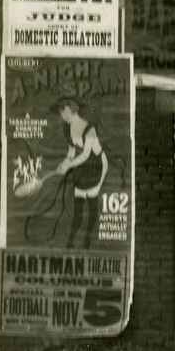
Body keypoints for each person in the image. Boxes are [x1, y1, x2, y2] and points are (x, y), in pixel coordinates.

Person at [53, 98, 109, 248]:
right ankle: (70, 242)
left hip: (97, 165)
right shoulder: (68, 128)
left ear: (67, 111)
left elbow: (85, 154)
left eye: (61, 112)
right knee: (78, 204)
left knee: (91, 202)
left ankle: (87, 240)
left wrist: (69, 166)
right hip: (83, 166)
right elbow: (71, 152)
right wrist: (64, 164)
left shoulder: (89, 128)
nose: (61, 116)